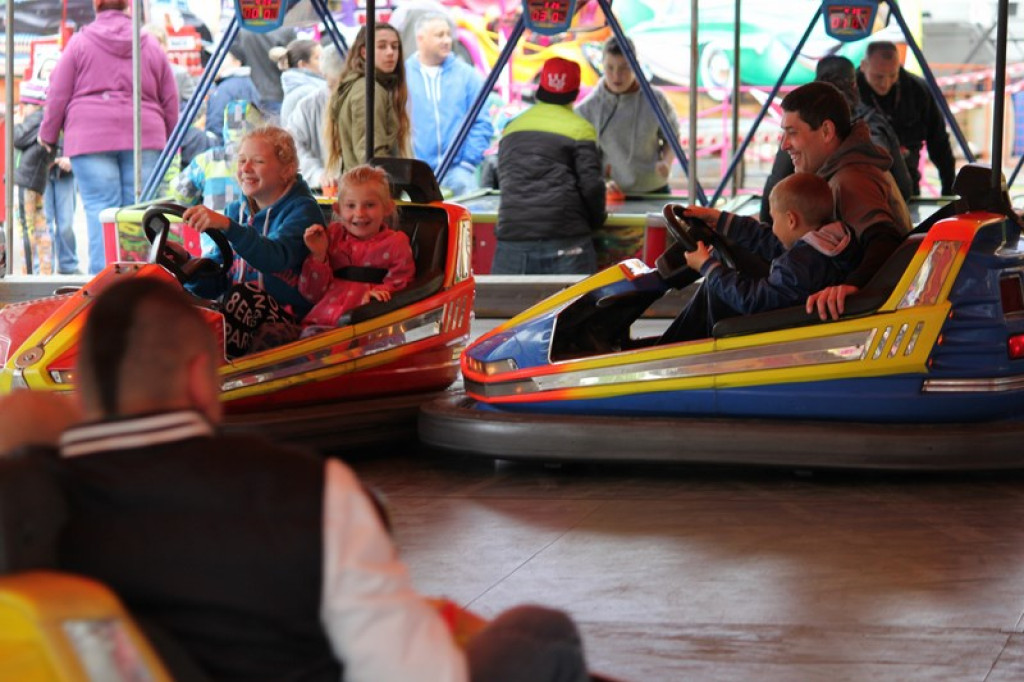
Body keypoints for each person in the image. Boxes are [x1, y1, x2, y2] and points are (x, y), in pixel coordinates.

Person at [0, 276, 591, 682]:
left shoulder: (28, 497)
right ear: (200, 378)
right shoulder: (316, 493)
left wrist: (67, 429)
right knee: (540, 635)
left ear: (81, 390)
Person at [39, 0, 179, 275]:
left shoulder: (79, 44)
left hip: (90, 138)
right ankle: (142, 287)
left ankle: (104, 289)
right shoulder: (149, 44)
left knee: (100, 213)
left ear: (96, 6)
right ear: (128, 6)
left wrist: (49, 134)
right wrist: (174, 139)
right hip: (145, 136)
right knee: (141, 213)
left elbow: (58, 92)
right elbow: (170, 95)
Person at [662, 173, 861, 342]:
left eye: (774, 220)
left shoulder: (798, 265)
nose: (772, 227)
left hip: (775, 334)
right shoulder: (828, 244)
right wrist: (719, 219)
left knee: (715, 289)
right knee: (719, 283)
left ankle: (667, 351)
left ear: (791, 220)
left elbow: (752, 301)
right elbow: (769, 241)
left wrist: (708, 267)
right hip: (789, 322)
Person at [182, 126, 322, 358]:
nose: (245, 169)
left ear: (287, 170)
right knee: (176, 299)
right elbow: (218, 279)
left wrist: (229, 227)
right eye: (242, 161)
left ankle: (218, 371)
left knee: (242, 296)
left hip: (291, 321)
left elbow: (274, 257)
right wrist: (186, 265)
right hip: (241, 316)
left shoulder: (303, 211)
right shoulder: (236, 211)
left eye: (257, 161)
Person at [759, 54, 913, 223]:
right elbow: (904, 187)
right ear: (854, 85)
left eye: (792, 132)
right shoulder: (874, 121)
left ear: (827, 131)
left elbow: (775, 186)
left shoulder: (852, 177)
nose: (785, 145)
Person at [491, 57, 605, 275]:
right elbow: (592, 187)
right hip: (566, 239)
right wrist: (597, 222)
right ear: (574, 93)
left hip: (513, 238)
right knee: (575, 309)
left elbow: (504, 179)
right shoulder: (580, 129)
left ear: (540, 89)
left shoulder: (512, 128)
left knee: (510, 309)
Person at [300, 164, 415, 329]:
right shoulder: (332, 236)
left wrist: (383, 292)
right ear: (338, 209)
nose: (359, 214)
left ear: (388, 207)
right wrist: (318, 255)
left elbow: (403, 283)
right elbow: (311, 294)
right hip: (323, 320)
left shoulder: (395, 243)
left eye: (369, 205)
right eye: (351, 206)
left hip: (369, 324)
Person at [575, 35, 680, 195]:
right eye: (610, 68)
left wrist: (666, 162)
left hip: (655, 190)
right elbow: (583, 157)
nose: (617, 76)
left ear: (635, 66)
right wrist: (600, 182)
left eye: (624, 68)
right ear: (602, 65)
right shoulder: (588, 109)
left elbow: (672, 138)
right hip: (612, 193)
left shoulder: (656, 100)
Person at [406, 11, 494, 196]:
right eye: (439, 35)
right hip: (416, 174)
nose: (447, 40)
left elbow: (482, 122)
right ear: (420, 39)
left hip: (458, 173)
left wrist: (467, 164)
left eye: (448, 34)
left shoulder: (467, 75)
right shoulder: (403, 76)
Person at [858, 40, 956, 196]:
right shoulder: (851, 90)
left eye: (892, 75)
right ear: (864, 66)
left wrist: (948, 191)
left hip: (908, 182)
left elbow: (939, 141)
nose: (885, 83)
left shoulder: (917, 90)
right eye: (878, 76)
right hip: (864, 184)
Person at [324, 23, 411, 175]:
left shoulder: (364, 85)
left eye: (394, 46)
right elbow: (371, 157)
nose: (390, 52)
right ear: (364, 52)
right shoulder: (369, 90)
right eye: (382, 46)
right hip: (371, 191)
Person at [171, 100, 252, 211]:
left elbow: (179, 191)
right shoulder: (264, 162)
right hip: (251, 227)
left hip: (211, 226)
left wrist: (195, 201)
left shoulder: (208, 159)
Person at [287, 42, 345, 194]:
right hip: (319, 193)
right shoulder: (308, 106)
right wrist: (318, 174)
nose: (340, 91)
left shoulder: (366, 103)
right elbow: (292, 147)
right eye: (333, 84)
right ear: (324, 76)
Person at [13, 79, 55, 275]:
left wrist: (18, 122)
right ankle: (46, 270)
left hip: (25, 179)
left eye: (25, 104)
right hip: (37, 180)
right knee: (40, 226)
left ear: (33, 103)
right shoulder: (46, 119)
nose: (23, 108)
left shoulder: (36, 117)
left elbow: (17, 138)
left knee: (25, 226)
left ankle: (27, 272)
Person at [233, 25, 296, 118]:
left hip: (247, 94)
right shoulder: (286, 29)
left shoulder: (242, 30)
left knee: (244, 131)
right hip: (275, 94)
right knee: (274, 130)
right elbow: (293, 62)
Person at [204, 44, 262, 145]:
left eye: (223, 57)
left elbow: (216, 126)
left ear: (237, 63)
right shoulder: (245, 82)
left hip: (226, 147)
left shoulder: (226, 88)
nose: (216, 62)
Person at [276, 38, 324, 127]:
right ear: (302, 65)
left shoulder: (300, 88)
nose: (323, 62)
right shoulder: (310, 91)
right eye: (318, 58)